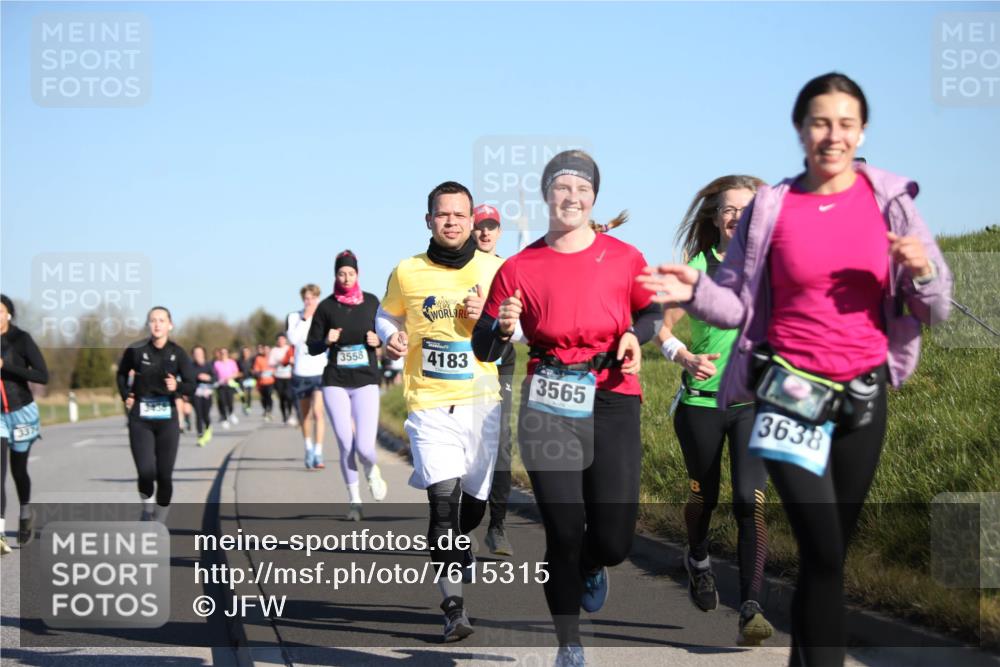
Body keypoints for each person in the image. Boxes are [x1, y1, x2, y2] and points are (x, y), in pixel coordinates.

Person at [638, 73, 952, 666]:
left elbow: (932, 309)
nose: (833, 135)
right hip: (789, 395)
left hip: (862, 396)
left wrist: (924, 272)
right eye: (819, 122)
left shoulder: (891, 202)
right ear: (801, 130)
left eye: (846, 123)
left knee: (826, 559)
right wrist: (695, 288)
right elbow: (734, 302)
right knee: (823, 546)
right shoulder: (772, 208)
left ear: (861, 131)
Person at [472, 150, 660, 667]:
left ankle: (596, 564)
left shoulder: (625, 258)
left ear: (593, 197)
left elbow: (652, 312)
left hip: (613, 396)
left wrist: (634, 334)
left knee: (615, 538)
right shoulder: (518, 267)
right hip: (549, 398)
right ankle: (568, 643)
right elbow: (483, 347)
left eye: (581, 189)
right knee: (561, 528)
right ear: (546, 196)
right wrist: (503, 328)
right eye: (561, 188)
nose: (571, 197)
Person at [376, 181, 504, 642]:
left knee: (473, 507)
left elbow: (521, 327)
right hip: (427, 404)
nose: (450, 221)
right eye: (442, 214)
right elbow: (386, 314)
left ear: (472, 221)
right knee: (443, 502)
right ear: (428, 220)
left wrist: (489, 317)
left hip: (482, 404)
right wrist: (389, 334)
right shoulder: (407, 271)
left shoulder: (496, 269)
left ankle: (464, 541)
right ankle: (453, 606)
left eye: (459, 214)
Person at [658, 175, 774, 645]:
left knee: (750, 501)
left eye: (747, 210)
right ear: (716, 217)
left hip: (754, 406)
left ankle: (751, 608)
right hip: (702, 404)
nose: (737, 218)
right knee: (704, 496)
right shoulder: (697, 269)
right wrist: (683, 356)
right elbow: (658, 326)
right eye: (729, 209)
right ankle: (698, 556)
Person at [307, 250, 388, 521]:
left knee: (365, 447)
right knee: (345, 442)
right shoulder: (327, 307)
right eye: (341, 273)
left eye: (350, 273)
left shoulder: (372, 302)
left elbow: (388, 334)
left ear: (358, 274)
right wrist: (326, 341)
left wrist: (379, 342)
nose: (346, 277)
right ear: (335, 275)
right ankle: (354, 500)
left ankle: (371, 469)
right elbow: (312, 346)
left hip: (365, 380)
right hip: (335, 382)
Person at [117, 306, 196, 522]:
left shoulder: (177, 353)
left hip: (167, 418)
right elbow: (121, 374)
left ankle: (159, 519)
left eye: (162, 320)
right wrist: (126, 395)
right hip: (141, 418)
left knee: (164, 476)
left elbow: (192, 385)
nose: (157, 324)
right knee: (145, 472)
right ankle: (147, 508)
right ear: (148, 325)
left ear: (170, 325)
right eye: (153, 320)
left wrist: (177, 386)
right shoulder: (135, 350)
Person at [471, 203, 516, 557]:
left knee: (502, 444)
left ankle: (497, 526)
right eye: (479, 226)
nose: (485, 232)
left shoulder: (510, 268)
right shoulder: (457, 267)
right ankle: (458, 529)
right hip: (465, 363)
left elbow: (526, 321)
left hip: (501, 364)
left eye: (491, 227)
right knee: (467, 446)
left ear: (499, 232)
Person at [0, 294, 49, 554]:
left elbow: (42, 376)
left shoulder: (22, 340)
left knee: (19, 472)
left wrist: (5, 365)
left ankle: (25, 512)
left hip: (21, 412)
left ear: (9, 314)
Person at [287, 284, 329, 469]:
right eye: (306, 298)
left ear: (318, 298)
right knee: (305, 415)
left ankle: (319, 452)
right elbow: (293, 339)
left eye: (312, 298)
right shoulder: (294, 317)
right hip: (301, 371)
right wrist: (305, 318)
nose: (309, 301)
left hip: (320, 370)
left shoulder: (323, 317)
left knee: (318, 413)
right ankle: (308, 448)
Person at [190, 345, 217, 447]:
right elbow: (188, 379)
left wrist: (208, 378)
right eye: (195, 353)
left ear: (204, 354)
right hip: (196, 394)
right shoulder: (190, 366)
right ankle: (200, 436)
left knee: (206, 414)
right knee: (198, 414)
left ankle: (208, 428)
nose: (198, 355)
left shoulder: (208, 365)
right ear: (193, 355)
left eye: (200, 353)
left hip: (207, 394)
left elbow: (215, 378)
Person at [270, 334, 296, 425]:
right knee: (282, 398)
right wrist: (280, 361)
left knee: (289, 396)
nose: (281, 341)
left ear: (285, 340)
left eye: (282, 339)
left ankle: (290, 414)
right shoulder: (274, 350)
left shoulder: (289, 349)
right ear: (277, 341)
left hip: (288, 376)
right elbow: (271, 363)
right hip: (278, 377)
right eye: (279, 340)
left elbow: (293, 360)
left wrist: (290, 362)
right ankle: (284, 416)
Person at [213, 348, 239, 429]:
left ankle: (231, 413)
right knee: (222, 401)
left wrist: (230, 377)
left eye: (225, 353)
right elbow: (214, 374)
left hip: (230, 384)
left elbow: (236, 373)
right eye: (222, 353)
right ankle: (224, 418)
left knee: (230, 401)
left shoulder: (232, 362)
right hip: (220, 385)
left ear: (227, 353)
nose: (223, 354)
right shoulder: (217, 363)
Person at [254, 343, 276, 422]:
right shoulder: (258, 358)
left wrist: (273, 372)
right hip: (261, 381)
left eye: (267, 349)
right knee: (263, 398)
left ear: (270, 350)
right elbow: (256, 370)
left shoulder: (273, 358)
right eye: (264, 349)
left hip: (271, 381)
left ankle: (269, 410)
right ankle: (265, 409)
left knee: (269, 395)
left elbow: (276, 367)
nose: (266, 351)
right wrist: (260, 373)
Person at [237, 346, 256, 416]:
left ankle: (249, 406)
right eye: (244, 352)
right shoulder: (239, 361)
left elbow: (255, 368)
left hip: (250, 378)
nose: (245, 353)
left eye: (247, 352)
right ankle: (244, 403)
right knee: (242, 393)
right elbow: (237, 369)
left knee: (249, 393)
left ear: (249, 352)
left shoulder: (252, 360)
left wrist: (253, 371)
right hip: (242, 379)